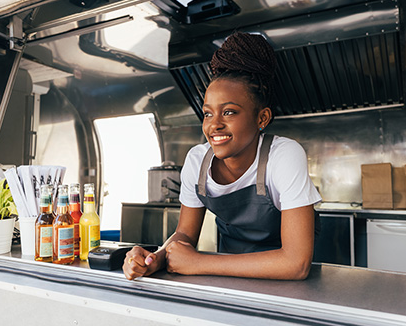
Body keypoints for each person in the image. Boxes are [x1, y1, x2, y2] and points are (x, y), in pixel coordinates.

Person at [123, 32, 321, 280]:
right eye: (207, 113)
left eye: (229, 112)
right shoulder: (198, 161)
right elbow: (184, 236)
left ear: (262, 118)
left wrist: (198, 263)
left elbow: (296, 264)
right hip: (230, 279)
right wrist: (156, 258)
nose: (214, 125)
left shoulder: (283, 155)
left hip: (289, 284)